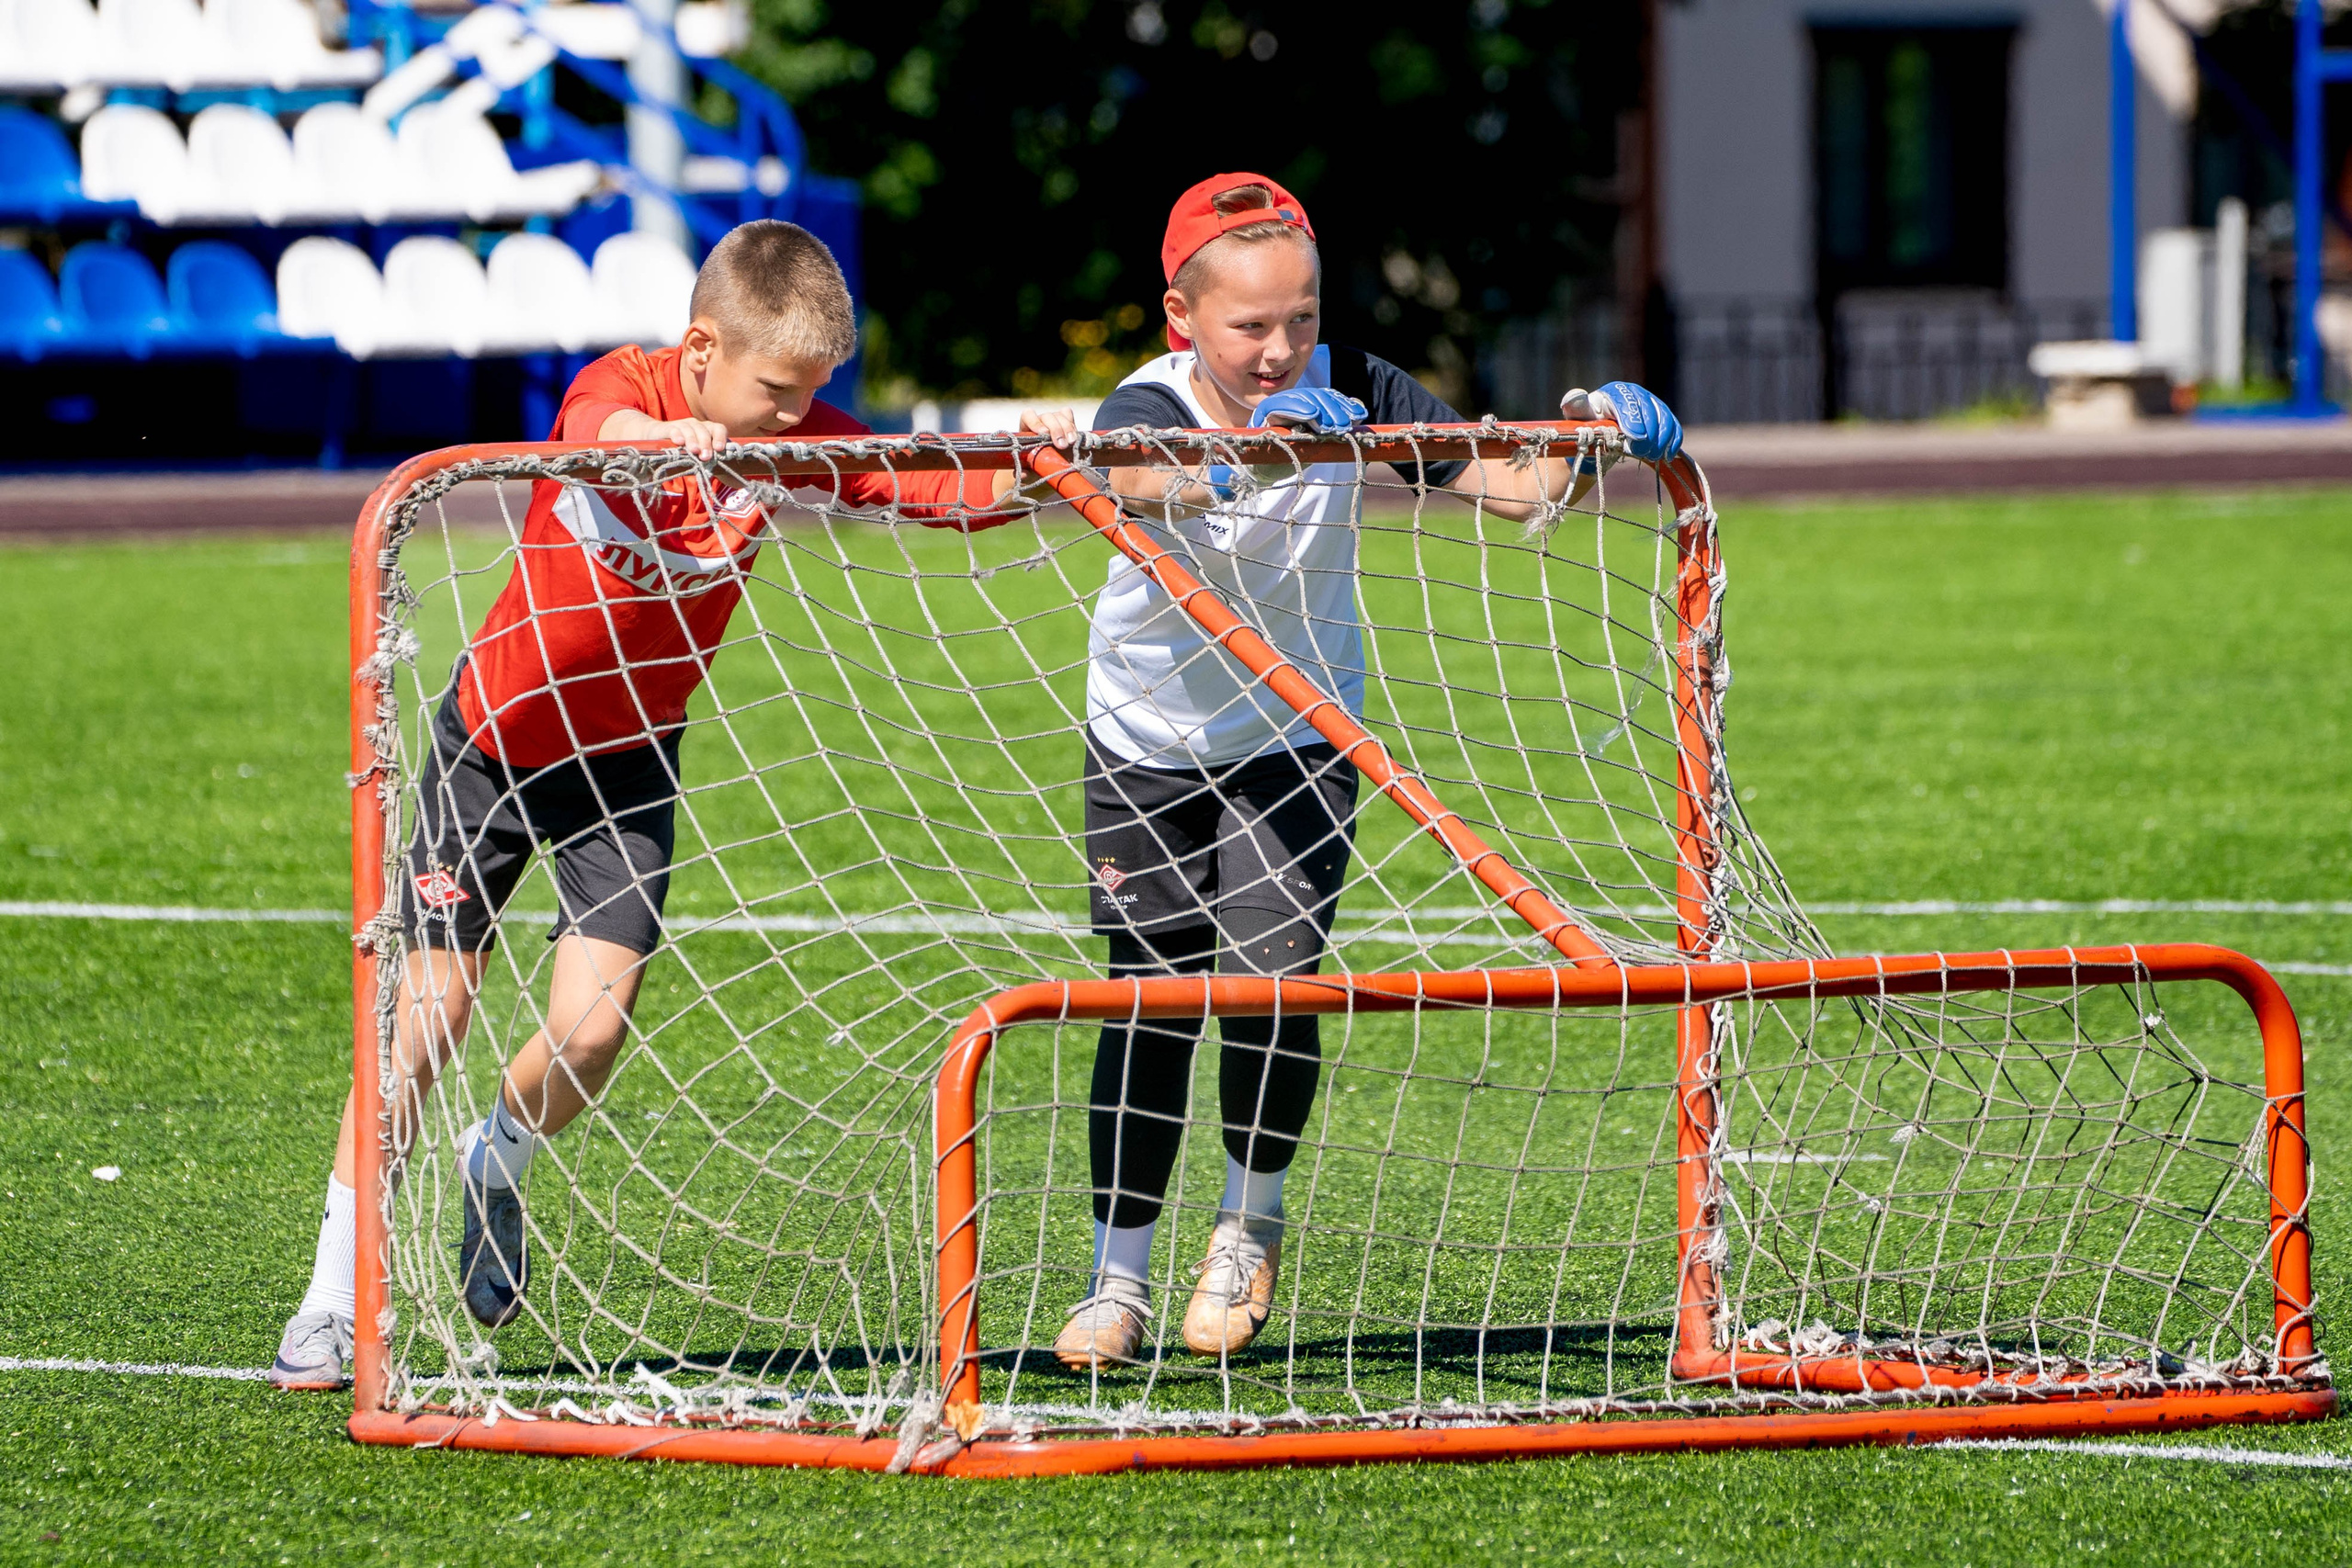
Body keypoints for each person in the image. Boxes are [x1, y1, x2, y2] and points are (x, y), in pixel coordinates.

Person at [269, 220, 1078, 1390]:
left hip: (630, 763)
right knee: (424, 1024)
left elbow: (943, 487)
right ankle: (334, 1299)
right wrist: (672, 438)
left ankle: (496, 1162)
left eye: (813, 396)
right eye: (775, 391)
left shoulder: (793, 439)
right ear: (701, 349)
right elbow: (601, 429)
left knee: (593, 1032)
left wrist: (1042, 456)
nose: (797, 419)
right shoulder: (629, 388)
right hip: (491, 748)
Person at [1052, 173, 1682, 1370]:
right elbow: (1137, 478)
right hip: (1149, 746)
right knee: (1154, 1002)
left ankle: (1246, 1226)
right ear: (1184, 317)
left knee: (1275, 985)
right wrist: (1246, 462)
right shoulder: (1150, 399)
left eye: (1301, 316)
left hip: (1298, 738)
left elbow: (1513, 489)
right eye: (1252, 326)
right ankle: (1115, 1276)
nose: (1281, 346)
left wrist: (1593, 434)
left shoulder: (1361, 386)